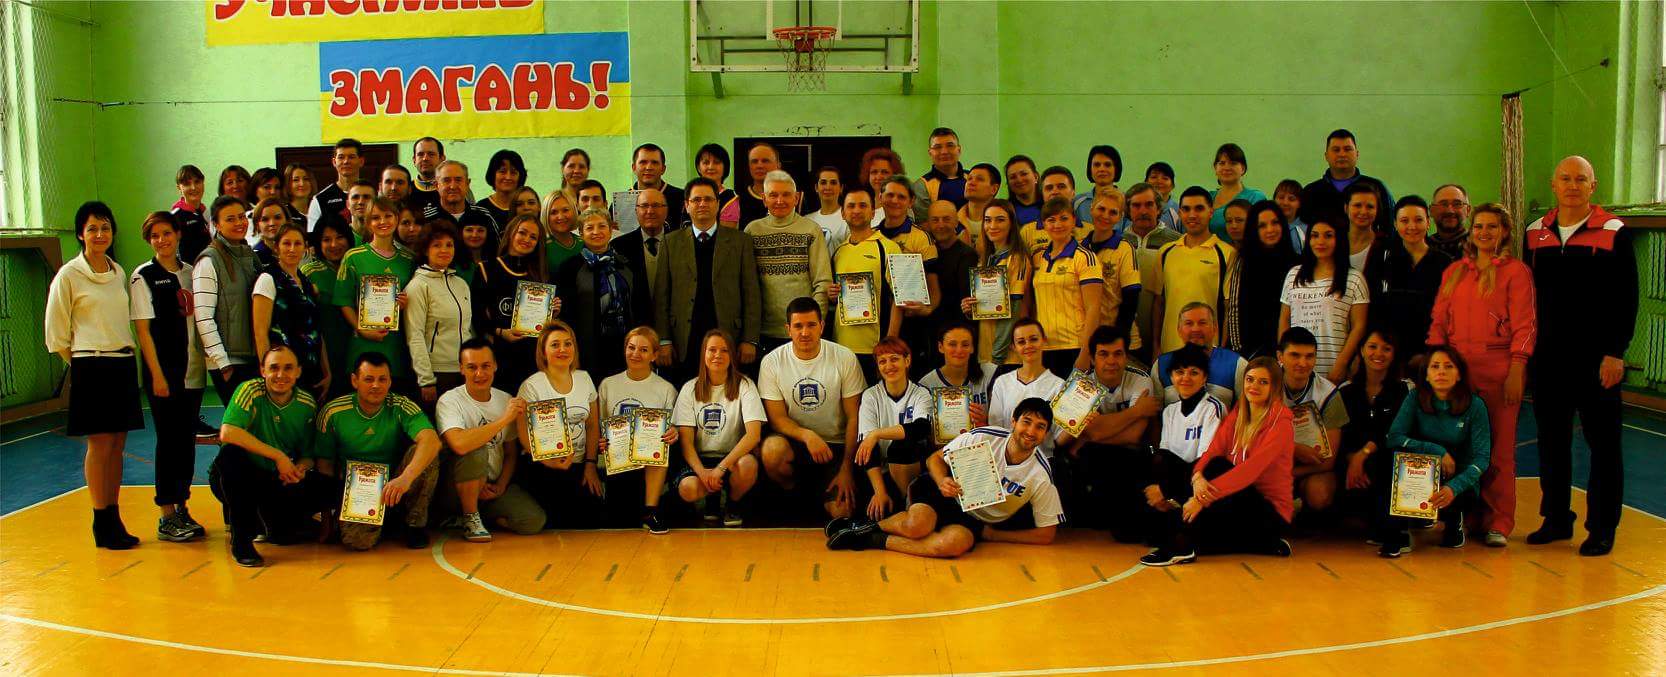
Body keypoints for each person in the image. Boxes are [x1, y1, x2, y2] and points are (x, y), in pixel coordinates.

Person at [1523, 156, 1635, 556]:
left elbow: (1627, 298)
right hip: (1548, 359)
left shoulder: (1613, 231)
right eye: (1566, 179)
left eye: (1581, 179)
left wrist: (1615, 352)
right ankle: (1556, 519)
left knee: (1604, 446)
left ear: (1593, 186)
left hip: (1596, 361)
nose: (1573, 185)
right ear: (1554, 185)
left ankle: (1602, 528)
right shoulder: (1534, 233)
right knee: (1551, 443)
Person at [825, 397, 1063, 557]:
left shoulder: (1041, 475)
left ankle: (868, 539)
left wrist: (993, 535)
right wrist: (942, 481)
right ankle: (863, 526)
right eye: (1026, 422)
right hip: (943, 492)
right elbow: (934, 459)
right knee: (917, 526)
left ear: (1045, 433)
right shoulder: (984, 437)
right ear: (1014, 422)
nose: (1031, 431)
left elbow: (1047, 534)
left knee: (950, 546)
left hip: (974, 519)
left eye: (1040, 426)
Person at [1428, 203, 1535, 547]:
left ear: (1504, 231)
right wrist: (1437, 364)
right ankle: (1465, 515)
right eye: (1479, 226)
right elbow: (1438, 322)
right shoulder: (1454, 272)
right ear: (1471, 231)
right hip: (1458, 371)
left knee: (1498, 450)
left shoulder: (1516, 272)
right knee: (1459, 446)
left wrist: (1517, 367)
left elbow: (1525, 325)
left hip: (1499, 368)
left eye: (1492, 226)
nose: (1484, 233)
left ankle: (1498, 521)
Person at [48, 202, 146, 549]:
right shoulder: (69, 275)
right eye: (92, 228)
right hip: (91, 366)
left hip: (122, 364)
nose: (99, 234)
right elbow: (56, 335)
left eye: (105, 227)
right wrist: (83, 364)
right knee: (100, 444)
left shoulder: (118, 272)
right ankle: (100, 519)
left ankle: (114, 517)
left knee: (118, 444)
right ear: (80, 234)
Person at [1140, 357, 1294, 565]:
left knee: (1218, 467)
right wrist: (1197, 477)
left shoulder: (1281, 423)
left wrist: (1200, 499)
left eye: (1263, 382)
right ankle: (1260, 542)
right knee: (1155, 531)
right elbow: (1213, 450)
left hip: (1268, 511)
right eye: (1250, 379)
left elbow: (1248, 472)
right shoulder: (1240, 411)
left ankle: (1183, 547)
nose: (1254, 386)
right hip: (1234, 500)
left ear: (1274, 387)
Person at [129, 211, 211, 542]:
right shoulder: (143, 276)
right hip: (165, 373)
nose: (161, 240)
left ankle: (182, 507)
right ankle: (166, 514)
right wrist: (157, 375)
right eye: (154, 236)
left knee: (186, 443)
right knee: (169, 442)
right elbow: (143, 332)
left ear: (178, 234)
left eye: (166, 233)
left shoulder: (192, 272)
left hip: (194, 371)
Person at [210, 346, 332, 567]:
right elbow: (227, 432)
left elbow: (308, 455)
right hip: (241, 477)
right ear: (263, 370)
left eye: (288, 368)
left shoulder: (306, 404)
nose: (280, 375)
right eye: (274, 368)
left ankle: (271, 522)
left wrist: (299, 469)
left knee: (329, 489)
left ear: (298, 372)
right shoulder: (249, 390)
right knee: (231, 455)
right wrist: (278, 456)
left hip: (275, 480)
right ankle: (242, 541)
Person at [313, 353, 442, 550]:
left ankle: (414, 524)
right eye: (368, 379)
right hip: (357, 489)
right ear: (354, 381)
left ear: (390, 382)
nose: (376, 385)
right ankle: (383, 522)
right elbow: (325, 465)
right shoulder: (333, 412)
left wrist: (405, 478)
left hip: (397, 484)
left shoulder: (401, 405)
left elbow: (432, 441)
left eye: (382, 379)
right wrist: (327, 517)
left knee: (425, 453)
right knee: (357, 542)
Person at [757, 297, 866, 520]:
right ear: (788, 329)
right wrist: (807, 435)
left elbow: (855, 417)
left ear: (822, 326)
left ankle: (825, 499)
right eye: (798, 326)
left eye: (811, 325)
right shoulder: (772, 362)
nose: (805, 332)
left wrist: (847, 468)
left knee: (843, 513)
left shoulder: (844, 358)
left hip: (836, 447)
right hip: (796, 443)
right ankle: (795, 498)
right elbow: (777, 419)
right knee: (771, 450)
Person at [1379, 347, 1492, 556]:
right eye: (1435, 366)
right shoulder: (1415, 398)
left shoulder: (1475, 406)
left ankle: (1454, 521)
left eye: (1449, 367)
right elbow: (1394, 437)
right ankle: (1399, 529)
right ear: (1426, 375)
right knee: (1388, 461)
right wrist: (1437, 450)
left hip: (1458, 478)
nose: (1441, 372)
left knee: (1458, 505)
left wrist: (1453, 488)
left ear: (1459, 374)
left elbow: (1482, 459)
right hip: (1420, 474)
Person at [435, 339, 546, 542]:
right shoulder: (449, 400)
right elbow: (459, 444)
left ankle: (475, 518)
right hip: (456, 487)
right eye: (472, 367)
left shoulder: (505, 399)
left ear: (495, 366)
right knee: (477, 449)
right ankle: (469, 517)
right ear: (461, 369)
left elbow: (511, 453)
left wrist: (501, 485)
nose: (480, 374)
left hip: (491, 486)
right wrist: (504, 419)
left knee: (532, 521)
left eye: (485, 366)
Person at [1054, 327, 1159, 540]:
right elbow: (1061, 440)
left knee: (1094, 452)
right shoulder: (1081, 385)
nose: (1111, 361)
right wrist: (1136, 412)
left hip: (1128, 457)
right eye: (1104, 354)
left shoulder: (1141, 380)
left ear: (1126, 357)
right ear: (1093, 359)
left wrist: (1090, 433)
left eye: (1118, 354)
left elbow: (1134, 435)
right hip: (1092, 460)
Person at [653, 177, 760, 384]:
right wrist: (663, 339)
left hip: (729, 333)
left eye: (709, 199)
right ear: (687, 205)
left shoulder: (740, 241)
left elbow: (751, 294)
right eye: (696, 200)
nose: (702, 204)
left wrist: (750, 339)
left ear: (718, 204)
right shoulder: (670, 242)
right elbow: (661, 295)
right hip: (684, 337)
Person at [515, 322, 605, 528]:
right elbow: (523, 435)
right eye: (555, 345)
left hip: (580, 465)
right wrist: (550, 462)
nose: (563, 349)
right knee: (559, 523)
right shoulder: (531, 386)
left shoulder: (584, 378)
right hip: (544, 467)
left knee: (594, 521)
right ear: (543, 352)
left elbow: (592, 426)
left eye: (568, 344)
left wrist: (590, 465)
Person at [673, 329, 765, 526]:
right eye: (712, 350)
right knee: (688, 488)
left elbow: (753, 436)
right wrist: (702, 472)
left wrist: (720, 468)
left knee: (748, 465)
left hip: (732, 458)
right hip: (701, 459)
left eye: (724, 350)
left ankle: (733, 503)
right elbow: (686, 442)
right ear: (703, 354)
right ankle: (711, 501)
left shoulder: (745, 385)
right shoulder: (689, 388)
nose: (718, 355)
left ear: (732, 355)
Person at [1140, 344, 1227, 547]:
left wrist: (1166, 489)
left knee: (1181, 537)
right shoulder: (1170, 411)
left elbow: (1206, 463)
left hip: (1201, 484)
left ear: (1205, 378)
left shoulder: (1213, 408)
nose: (1185, 378)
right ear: (1171, 377)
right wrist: (1163, 492)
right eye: (1179, 372)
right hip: (1176, 483)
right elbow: (1165, 457)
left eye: (1194, 372)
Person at [331, 197, 419, 398]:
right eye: (376, 217)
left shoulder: (408, 259)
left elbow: (416, 296)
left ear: (396, 219)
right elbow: (343, 300)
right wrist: (361, 328)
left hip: (395, 344)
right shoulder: (353, 257)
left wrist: (405, 303)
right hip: (362, 343)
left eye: (388, 216)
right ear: (368, 223)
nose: (383, 222)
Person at [596, 327, 681, 533]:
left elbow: (672, 427)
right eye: (631, 347)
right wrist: (602, 441)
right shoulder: (607, 385)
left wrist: (674, 432)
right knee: (618, 526)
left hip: (649, 465)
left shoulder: (666, 389)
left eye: (643, 350)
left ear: (654, 355)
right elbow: (601, 426)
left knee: (659, 446)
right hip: (617, 461)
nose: (635, 354)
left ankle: (651, 511)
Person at [1336, 328, 1412, 547]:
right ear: (1361, 350)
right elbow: (1340, 436)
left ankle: (1396, 528)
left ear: (1394, 354)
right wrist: (1352, 458)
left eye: (1386, 349)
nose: (1378, 353)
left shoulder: (1405, 390)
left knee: (1390, 460)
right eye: (1372, 346)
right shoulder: (1345, 391)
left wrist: (1364, 454)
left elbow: (1396, 431)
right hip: (1351, 465)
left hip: (1385, 460)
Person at [745, 170, 832, 354]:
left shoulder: (811, 230)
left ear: (796, 198)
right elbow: (745, 284)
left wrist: (813, 324)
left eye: (786, 194)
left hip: (803, 332)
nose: (780, 200)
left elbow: (822, 282)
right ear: (764, 199)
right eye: (773, 195)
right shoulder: (752, 231)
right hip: (763, 332)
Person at [557, 208, 650, 378]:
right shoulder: (569, 268)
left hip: (626, 345)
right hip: (587, 349)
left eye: (601, 226)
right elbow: (566, 314)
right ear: (580, 233)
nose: (596, 232)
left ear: (610, 230)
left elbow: (641, 304)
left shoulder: (628, 264)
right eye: (589, 228)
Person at [851, 338, 934, 520]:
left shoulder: (921, 393)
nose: (889, 366)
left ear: (907, 360)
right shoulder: (871, 395)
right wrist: (879, 492)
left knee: (901, 446)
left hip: (911, 469)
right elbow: (867, 450)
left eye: (894, 359)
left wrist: (877, 433)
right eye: (882, 361)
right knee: (868, 512)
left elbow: (920, 428)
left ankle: (908, 502)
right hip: (878, 472)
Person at [1279, 215, 1369, 382]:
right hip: (1296, 369)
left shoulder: (1354, 279)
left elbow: (1359, 326)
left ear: (1339, 239)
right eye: (1314, 235)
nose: (1320, 241)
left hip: (1333, 367)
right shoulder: (1294, 274)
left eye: (1328, 235)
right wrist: (1283, 360)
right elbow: (1284, 320)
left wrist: (1342, 364)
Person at [829, 186, 905, 381]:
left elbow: (900, 298)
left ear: (872, 212)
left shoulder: (889, 248)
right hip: (841, 346)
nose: (856, 210)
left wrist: (889, 342)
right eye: (851, 206)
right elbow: (834, 297)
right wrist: (832, 294)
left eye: (863, 205)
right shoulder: (838, 252)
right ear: (843, 213)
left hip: (875, 347)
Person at [1151, 186, 1234, 356]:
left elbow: (1229, 309)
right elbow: (1159, 303)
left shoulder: (1227, 253)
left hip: (1209, 352)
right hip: (1170, 351)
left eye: (1199, 208)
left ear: (1211, 212)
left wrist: (1222, 353)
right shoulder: (1166, 252)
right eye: (1186, 209)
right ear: (1180, 213)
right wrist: (1155, 346)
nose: (1192, 215)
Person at [194, 195, 261, 403]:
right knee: (239, 420)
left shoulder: (249, 255)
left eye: (241, 217)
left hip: (250, 356)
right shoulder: (208, 261)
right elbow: (203, 317)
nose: (239, 223)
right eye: (230, 219)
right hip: (228, 362)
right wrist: (223, 363)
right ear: (216, 224)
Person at [472, 214, 551, 390]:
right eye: (522, 233)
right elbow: (477, 316)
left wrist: (553, 311)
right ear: (511, 233)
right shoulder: (486, 269)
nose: (527, 239)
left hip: (533, 357)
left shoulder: (540, 274)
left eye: (533, 237)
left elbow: (544, 325)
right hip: (500, 356)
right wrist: (501, 332)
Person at [1276, 327, 1348, 516]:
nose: (1303, 363)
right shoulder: (1265, 384)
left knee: (1319, 493)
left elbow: (1328, 462)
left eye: (1309, 356)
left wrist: (1288, 473)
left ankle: (1307, 514)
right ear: (1280, 356)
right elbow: (1252, 439)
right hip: (1272, 463)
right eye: (1295, 355)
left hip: (1311, 469)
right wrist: (1293, 448)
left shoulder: (1328, 394)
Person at [1029, 197, 1103, 376]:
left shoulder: (1085, 257)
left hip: (1074, 347)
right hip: (1044, 347)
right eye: (1051, 220)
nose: (1057, 225)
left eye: (1063, 218)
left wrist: (1086, 353)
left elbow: (1093, 308)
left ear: (1073, 221)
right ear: (1043, 224)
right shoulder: (1040, 258)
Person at [252, 222, 329, 395]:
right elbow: (260, 333)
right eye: (286, 243)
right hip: (283, 373)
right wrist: (268, 375)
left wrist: (327, 371)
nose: (292, 249)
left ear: (305, 248)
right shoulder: (268, 279)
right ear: (277, 247)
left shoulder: (307, 283)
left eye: (297, 243)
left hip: (311, 371)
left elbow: (316, 330)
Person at [405, 221, 475, 412]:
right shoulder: (418, 286)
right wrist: (426, 379)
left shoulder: (460, 284)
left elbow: (467, 329)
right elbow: (415, 335)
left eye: (449, 245)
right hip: (437, 373)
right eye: (437, 245)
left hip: (464, 370)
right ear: (425, 250)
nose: (444, 250)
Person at [1371, 196, 1452, 356]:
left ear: (1428, 223)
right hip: (1389, 351)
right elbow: (1376, 308)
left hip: (1431, 351)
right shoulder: (1383, 259)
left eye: (1418, 220)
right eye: (1404, 221)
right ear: (1395, 224)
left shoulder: (1445, 262)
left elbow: (1449, 313)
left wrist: (1431, 351)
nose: (1412, 226)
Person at [1225, 201, 1300, 359]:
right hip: (1251, 354)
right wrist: (1241, 352)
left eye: (1275, 223)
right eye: (1262, 226)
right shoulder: (1243, 262)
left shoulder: (1298, 264)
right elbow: (1234, 309)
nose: (1270, 230)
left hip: (1290, 353)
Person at [986, 320, 1065, 458]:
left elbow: (1059, 438)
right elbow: (996, 429)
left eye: (1033, 339)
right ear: (1013, 347)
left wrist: (1081, 421)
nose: (1028, 345)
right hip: (1006, 459)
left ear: (1044, 340)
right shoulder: (1002, 382)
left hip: (1043, 460)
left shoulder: (1059, 385)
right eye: (1021, 342)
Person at [1122, 183, 1182, 360]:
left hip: (1166, 335)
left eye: (1149, 205)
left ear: (1159, 208)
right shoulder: (1119, 243)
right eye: (1136, 205)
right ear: (1128, 210)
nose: (1143, 211)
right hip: (1128, 336)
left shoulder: (1176, 243)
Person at [966, 199, 1029, 364]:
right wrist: (970, 308)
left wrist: (997, 357)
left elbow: (1014, 310)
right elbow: (987, 309)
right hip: (986, 352)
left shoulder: (1017, 259)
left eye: (1000, 220)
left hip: (1007, 357)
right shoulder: (985, 261)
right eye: (988, 220)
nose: (992, 226)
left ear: (1011, 224)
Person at [922, 199, 980, 375]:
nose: (941, 225)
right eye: (935, 220)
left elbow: (966, 306)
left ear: (956, 222)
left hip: (955, 340)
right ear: (928, 224)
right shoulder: (925, 253)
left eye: (946, 219)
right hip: (929, 334)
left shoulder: (967, 255)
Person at [1080, 188, 1142, 350]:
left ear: (1120, 217)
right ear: (1092, 208)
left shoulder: (1124, 249)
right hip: (1087, 339)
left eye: (1113, 212)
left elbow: (1130, 300)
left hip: (1119, 341)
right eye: (1101, 209)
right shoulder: (1079, 248)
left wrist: (1117, 339)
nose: (1105, 216)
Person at [1299, 129, 1393, 232]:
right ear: (1326, 156)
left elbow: (1390, 226)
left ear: (1357, 154)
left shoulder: (1376, 188)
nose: (1342, 154)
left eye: (1347, 149)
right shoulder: (1311, 192)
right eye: (1336, 150)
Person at [1154, 303, 1247, 407]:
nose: (1196, 329)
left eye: (1202, 323)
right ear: (1179, 330)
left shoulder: (1237, 364)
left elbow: (1248, 410)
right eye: (1189, 323)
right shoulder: (1161, 365)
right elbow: (1155, 412)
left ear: (1215, 328)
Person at [302, 218, 355, 398]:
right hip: (325, 358)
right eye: (326, 240)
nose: (334, 244)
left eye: (339, 237)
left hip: (358, 353)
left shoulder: (358, 267)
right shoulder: (309, 273)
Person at [918, 321, 997, 421]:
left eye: (965, 345)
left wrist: (986, 421)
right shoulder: (927, 384)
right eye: (952, 344)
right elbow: (923, 425)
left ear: (972, 348)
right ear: (940, 347)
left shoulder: (990, 373)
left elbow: (1002, 419)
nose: (959, 350)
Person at [612, 188, 670, 306]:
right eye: (644, 206)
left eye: (656, 205)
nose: (650, 211)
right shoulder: (619, 246)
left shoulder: (679, 243)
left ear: (666, 210)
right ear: (636, 211)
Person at [424, 160, 501, 238]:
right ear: (436, 185)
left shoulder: (484, 215)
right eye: (446, 181)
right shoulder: (427, 219)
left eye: (458, 180)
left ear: (467, 184)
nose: (453, 186)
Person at [1207, 144, 1267, 242]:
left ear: (1243, 168)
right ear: (1215, 168)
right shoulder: (1207, 198)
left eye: (1233, 163)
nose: (1227, 167)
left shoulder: (1255, 197)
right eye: (1222, 163)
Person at [307, 138, 364, 232]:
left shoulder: (373, 195)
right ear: (334, 162)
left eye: (351, 157)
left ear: (361, 161)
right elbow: (313, 236)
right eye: (341, 157)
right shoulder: (320, 200)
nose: (346, 161)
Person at [911, 127, 968, 220]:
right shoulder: (922, 186)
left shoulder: (972, 178)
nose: (944, 152)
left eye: (950, 145)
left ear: (959, 149)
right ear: (930, 153)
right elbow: (924, 223)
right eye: (937, 147)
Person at [1024, 166, 1084, 250]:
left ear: (1073, 193)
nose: (1055, 192)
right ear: (1042, 194)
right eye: (1049, 188)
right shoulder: (1027, 232)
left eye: (1061, 186)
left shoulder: (1089, 230)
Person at [631, 143, 685, 228]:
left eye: (654, 163)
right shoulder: (620, 204)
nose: (648, 167)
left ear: (663, 169)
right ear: (634, 168)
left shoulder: (682, 198)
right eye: (643, 162)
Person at [1073, 145, 1123, 226]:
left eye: (1107, 165)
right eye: (1097, 165)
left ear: (1116, 169)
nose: (1101, 169)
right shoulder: (1077, 202)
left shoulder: (1126, 202)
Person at [477, 149, 527, 230]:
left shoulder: (525, 207)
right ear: (493, 174)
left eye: (513, 172)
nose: (508, 177)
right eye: (502, 171)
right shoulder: (480, 209)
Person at [807, 166, 849, 258]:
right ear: (816, 188)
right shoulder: (807, 220)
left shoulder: (848, 218)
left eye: (833, 183)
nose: (828, 187)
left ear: (841, 188)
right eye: (823, 182)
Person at [695, 143, 741, 227]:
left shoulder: (729, 198)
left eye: (716, 162)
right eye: (706, 162)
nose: (711, 167)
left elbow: (726, 234)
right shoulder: (690, 195)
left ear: (725, 167)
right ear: (698, 167)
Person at [173, 164, 212, 262]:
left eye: (197, 182)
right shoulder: (175, 217)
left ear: (203, 183)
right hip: (189, 270)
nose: (193, 187)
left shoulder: (206, 213)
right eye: (187, 184)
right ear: (179, 188)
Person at [737, 142, 782, 226]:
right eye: (754, 161)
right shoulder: (736, 200)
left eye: (765, 161)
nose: (759, 166)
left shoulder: (795, 199)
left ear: (778, 165)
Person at [956, 162, 1000, 248]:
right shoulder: (954, 221)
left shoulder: (1004, 222)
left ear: (994, 189)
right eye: (969, 179)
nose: (971, 183)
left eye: (980, 179)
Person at [1342, 182, 1383, 272]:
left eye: (1370, 207)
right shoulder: (1333, 242)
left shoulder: (1386, 246)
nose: (1363, 212)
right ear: (1346, 208)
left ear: (1377, 210)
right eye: (1357, 205)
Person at [540, 189, 582, 272]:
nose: (561, 216)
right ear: (546, 216)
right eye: (554, 212)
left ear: (574, 211)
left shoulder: (583, 243)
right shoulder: (542, 247)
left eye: (565, 210)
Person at [1428, 184, 1471, 261]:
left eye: (1457, 204)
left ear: (1468, 210)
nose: (1450, 211)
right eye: (1443, 204)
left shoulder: (1480, 246)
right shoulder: (1422, 247)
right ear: (1431, 211)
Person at [859, 147, 907, 215]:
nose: (878, 177)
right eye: (874, 172)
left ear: (895, 175)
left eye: (885, 172)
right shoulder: (864, 206)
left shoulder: (901, 207)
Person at [1003, 155, 1042, 226]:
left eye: (1024, 174)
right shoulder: (1004, 210)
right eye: (1013, 177)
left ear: (1036, 177)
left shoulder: (1050, 206)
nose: (1019, 180)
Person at [248, 196, 287, 264]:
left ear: (287, 221)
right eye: (265, 219)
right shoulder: (256, 258)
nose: (272, 223)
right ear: (257, 225)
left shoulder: (299, 250)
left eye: (277, 217)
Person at [1273, 179, 1308, 254]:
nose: (1285, 203)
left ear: (1300, 203)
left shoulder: (1306, 230)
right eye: (1281, 197)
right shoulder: (1267, 228)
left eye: (1291, 199)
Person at [1144, 162, 1181, 230]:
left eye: (1165, 178)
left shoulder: (1179, 211)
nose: (1159, 181)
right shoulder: (1136, 208)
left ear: (1172, 185)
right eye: (1154, 177)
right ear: (1145, 182)